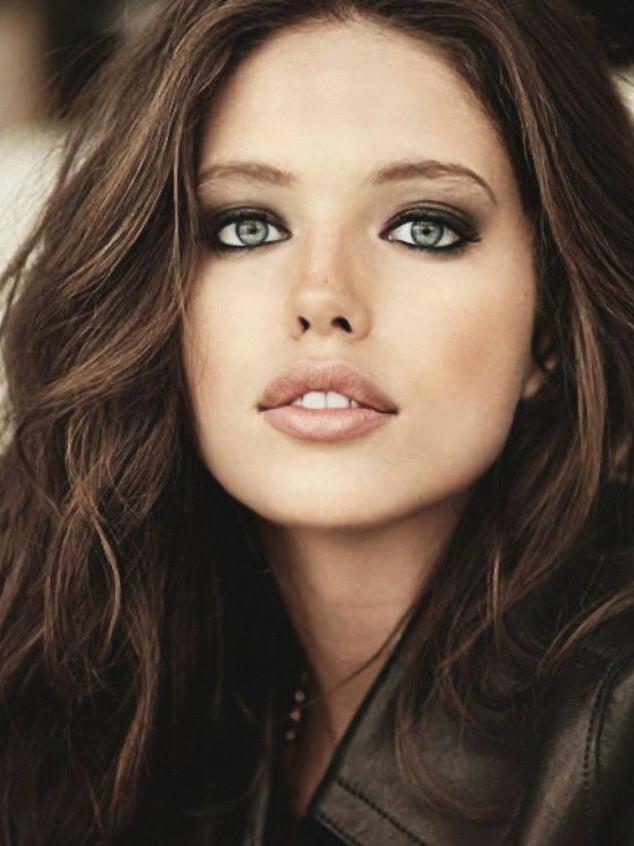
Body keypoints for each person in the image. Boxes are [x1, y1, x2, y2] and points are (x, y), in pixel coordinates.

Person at [1, 0, 634, 843]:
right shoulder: (82, 658)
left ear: (550, 325)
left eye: (425, 227)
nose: (322, 298)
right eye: (247, 226)